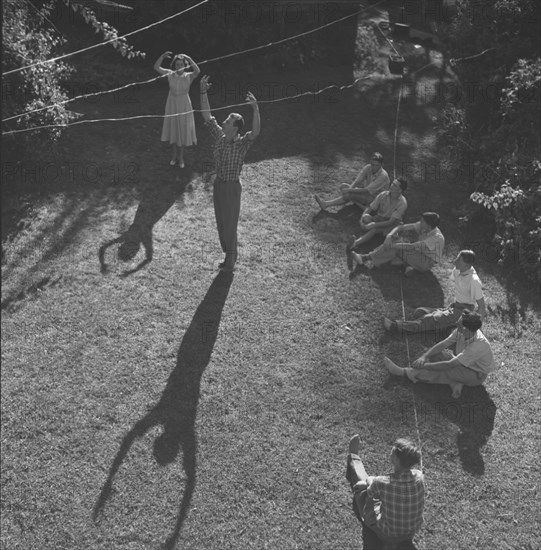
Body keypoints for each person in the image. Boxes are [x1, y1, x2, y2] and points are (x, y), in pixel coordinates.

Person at [199, 75, 260, 271]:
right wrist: (202, 92)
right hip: (219, 184)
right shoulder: (220, 136)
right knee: (222, 223)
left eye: (227, 121)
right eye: (225, 120)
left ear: (235, 128)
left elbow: (256, 132)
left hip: (232, 188)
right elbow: (207, 116)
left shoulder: (241, 144)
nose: (223, 122)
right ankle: (228, 256)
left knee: (230, 224)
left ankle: (231, 261)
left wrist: (255, 109)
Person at [384, 311, 496, 398]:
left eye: (459, 324)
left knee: (443, 371)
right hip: (464, 364)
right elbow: (443, 344)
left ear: (466, 329)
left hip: (475, 375)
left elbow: (449, 365)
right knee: (435, 355)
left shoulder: (478, 345)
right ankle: (455, 382)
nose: (457, 325)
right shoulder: (463, 331)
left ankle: (405, 372)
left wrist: (423, 365)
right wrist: (424, 357)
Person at [346, 434, 425, 548]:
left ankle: (354, 457)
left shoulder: (382, 483)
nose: (390, 453)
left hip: (386, 533)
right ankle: (393, 544)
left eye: (392, 452)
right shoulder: (419, 477)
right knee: (379, 493)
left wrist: (368, 481)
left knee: (361, 491)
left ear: (396, 460)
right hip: (410, 534)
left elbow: (370, 492)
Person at [383, 250, 487, 334]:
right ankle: (447, 326)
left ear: (467, 265)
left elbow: (482, 307)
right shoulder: (458, 269)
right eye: (457, 257)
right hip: (454, 306)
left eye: (459, 260)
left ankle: (395, 326)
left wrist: (475, 328)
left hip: (464, 311)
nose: (455, 261)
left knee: (427, 320)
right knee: (419, 312)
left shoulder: (474, 281)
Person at [350, 212, 444, 276]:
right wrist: (389, 236)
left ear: (429, 225)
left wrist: (391, 245)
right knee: (397, 242)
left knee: (397, 247)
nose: (420, 222)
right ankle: (407, 265)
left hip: (426, 261)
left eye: (422, 221)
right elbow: (401, 227)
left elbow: (411, 246)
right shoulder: (425, 226)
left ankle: (365, 258)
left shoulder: (437, 237)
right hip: (418, 253)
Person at [154, 51, 200, 168]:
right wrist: (162, 56)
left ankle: (181, 156)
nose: (179, 67)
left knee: (182, 129)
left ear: (185, 65)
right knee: (174, 128)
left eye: (181, 64)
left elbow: (197, 71)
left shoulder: (188, 76)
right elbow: (156, 67)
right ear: (175, 66)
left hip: (184, 105)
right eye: (177, 64)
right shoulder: (170, 74)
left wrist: (189, 58)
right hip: (172, 104)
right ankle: (174, 155)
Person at [347, 177, 408, 251]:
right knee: (366, 217)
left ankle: (355, 244)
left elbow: (390, 222)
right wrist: (361, 219)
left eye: (395, 185)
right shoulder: (383, 194)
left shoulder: (402, 203)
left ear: (400, 190)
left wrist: (374, 224)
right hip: (379, 218)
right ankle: (372, 231)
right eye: (392, 183)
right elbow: (370, 208)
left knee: (374, 229)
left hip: (392, 224)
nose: (391, 185)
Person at [315, 152, 390, 210]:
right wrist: (349, 189)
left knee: (349, 194)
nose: (373, 167)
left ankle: (326, 204)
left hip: (375, 199)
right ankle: (360, 205)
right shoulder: (368, 167)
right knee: (343, 186)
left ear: (381, 165)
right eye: (372, 164)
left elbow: (367, 191)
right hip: (367, 194)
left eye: (376, 165)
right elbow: (357, 181)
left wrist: (349, 191)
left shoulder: (383, 176)